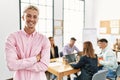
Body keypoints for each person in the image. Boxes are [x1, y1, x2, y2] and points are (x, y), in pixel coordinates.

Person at [5, 5, 50, 80]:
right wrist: (35, 59)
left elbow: (44, 66)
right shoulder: (12, 38)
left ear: (37, 19)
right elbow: (11, 65)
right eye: (28, 16)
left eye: (35, 17)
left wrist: (20, 64)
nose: (32, 19)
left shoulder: (44, 40)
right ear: (23, 17)